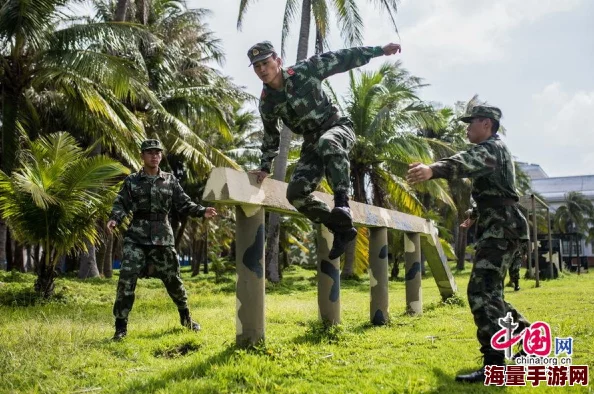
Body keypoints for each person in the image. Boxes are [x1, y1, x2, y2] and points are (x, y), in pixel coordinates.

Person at [406, 99, 531, 383]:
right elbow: (501, 189)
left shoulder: (492, 148)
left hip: (502, 229)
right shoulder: (494, 151)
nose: (467, 129)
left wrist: (432, 170)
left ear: (486, 124)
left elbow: (464, 162)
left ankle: (495, 368)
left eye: (471, 123)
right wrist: (476, 213)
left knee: (481, 292)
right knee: (489, 293)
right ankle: (527, 342)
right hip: (500, 226)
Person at [248, 40, 402, 260]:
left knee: (328, 142)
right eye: (257, 66)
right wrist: (265, 167)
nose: (262, 69)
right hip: (312, 144)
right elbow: (271, 135)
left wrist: (379, 50)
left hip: (336, 127)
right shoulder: (267, 104)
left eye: (265, 63)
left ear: (278, 61)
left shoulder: (306, 70)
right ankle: (341, 228)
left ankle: (342, 204)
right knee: (295, 194)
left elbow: (342, 58)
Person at [106, 139, 217, 341]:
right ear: (142, 156)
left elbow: (184, 203)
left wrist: (202, 211)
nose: (154, 155)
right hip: (136, 237)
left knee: (173, 280)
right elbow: (121, 203)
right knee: (126, 281)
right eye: (150, 152)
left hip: (162, 238)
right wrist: (115, 219)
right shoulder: (132, 181)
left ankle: (186, 319)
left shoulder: (169, 180)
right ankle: (120, 328)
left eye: (157, 152)